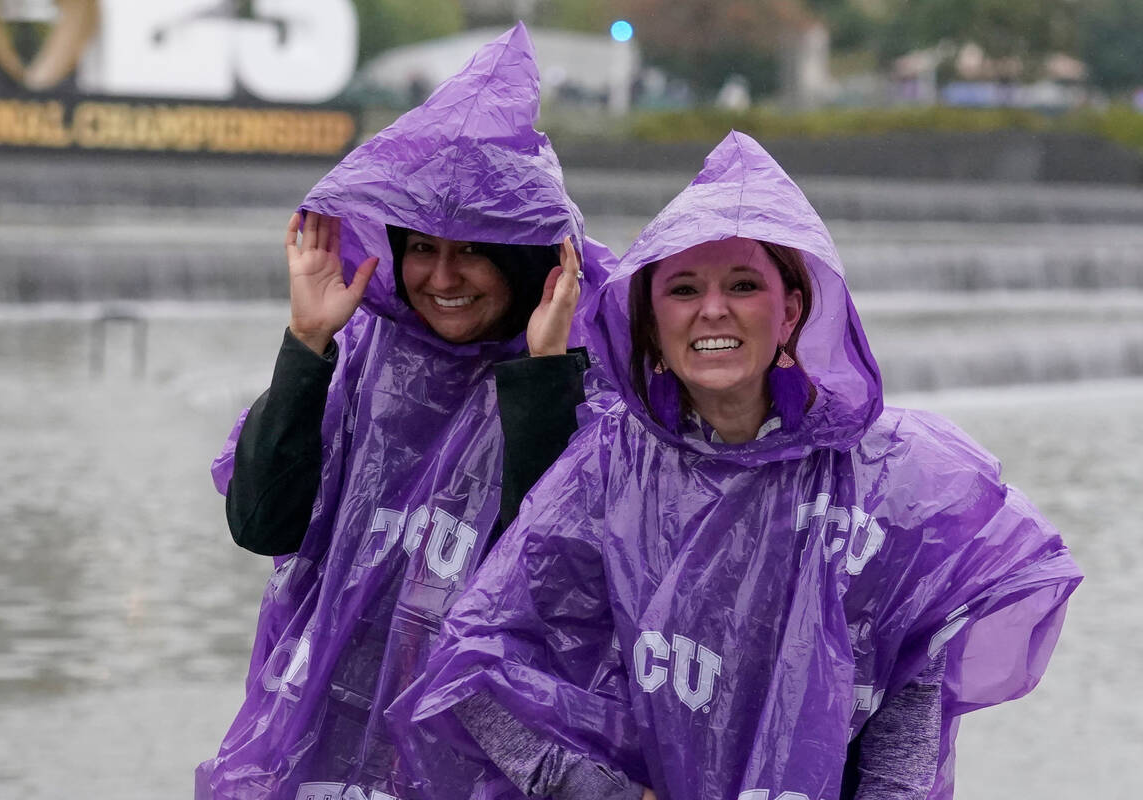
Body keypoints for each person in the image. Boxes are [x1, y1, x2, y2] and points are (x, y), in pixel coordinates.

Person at [396, 132, 1082, 800]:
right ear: (651, 327)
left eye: (744, 284)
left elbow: (911, 697)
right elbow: (479, 659)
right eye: (684, 289)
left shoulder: (895, 478)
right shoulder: (608, 469)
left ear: (791, 313)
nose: (713, 309)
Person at [195, 25, 613, 800]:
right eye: (421, 247)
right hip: (330, 737)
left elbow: (557, 587)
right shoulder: (362, 355)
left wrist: (543, 374)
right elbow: (262, 524)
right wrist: (307, 343)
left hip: (483, 757)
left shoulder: (592, 379)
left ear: (523, 259)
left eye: (473, 251)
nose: (441, 276)